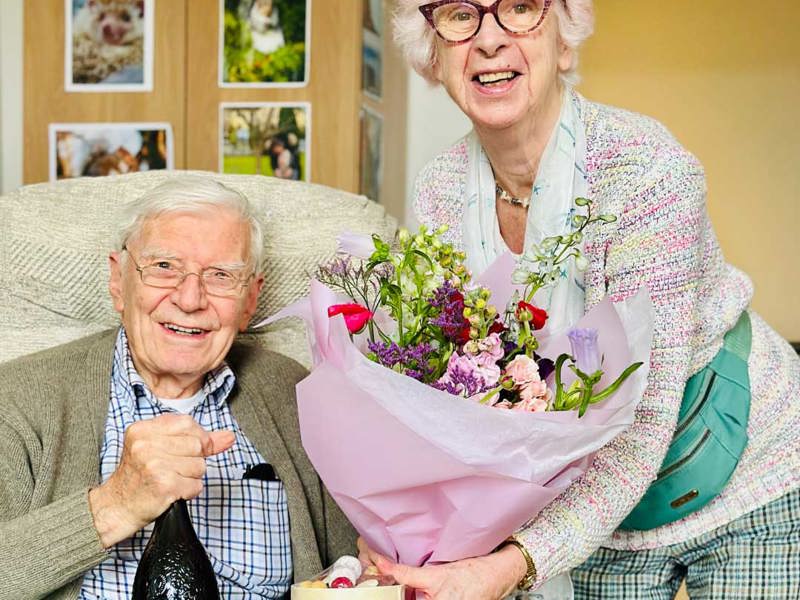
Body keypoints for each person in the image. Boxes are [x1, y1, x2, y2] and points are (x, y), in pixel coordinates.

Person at [360, 1, 800, 598]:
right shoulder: (439, 189)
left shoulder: (646, 172)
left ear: (564, 44)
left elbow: (639, 418)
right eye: (461, 15)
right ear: (433, 56)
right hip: (589, 504)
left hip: (748, 472)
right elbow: (454, 390)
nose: (489, 40)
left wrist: (510, 564)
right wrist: (395, 521)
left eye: (519, 8)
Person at [0, 176, 356, 598]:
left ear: (250, 301)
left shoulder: (294, 392)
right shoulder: (18, 398)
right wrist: (114, 504)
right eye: (164, 267)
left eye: (221, 275)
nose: (190, 299)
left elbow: (359, 561)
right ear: (119, 281)